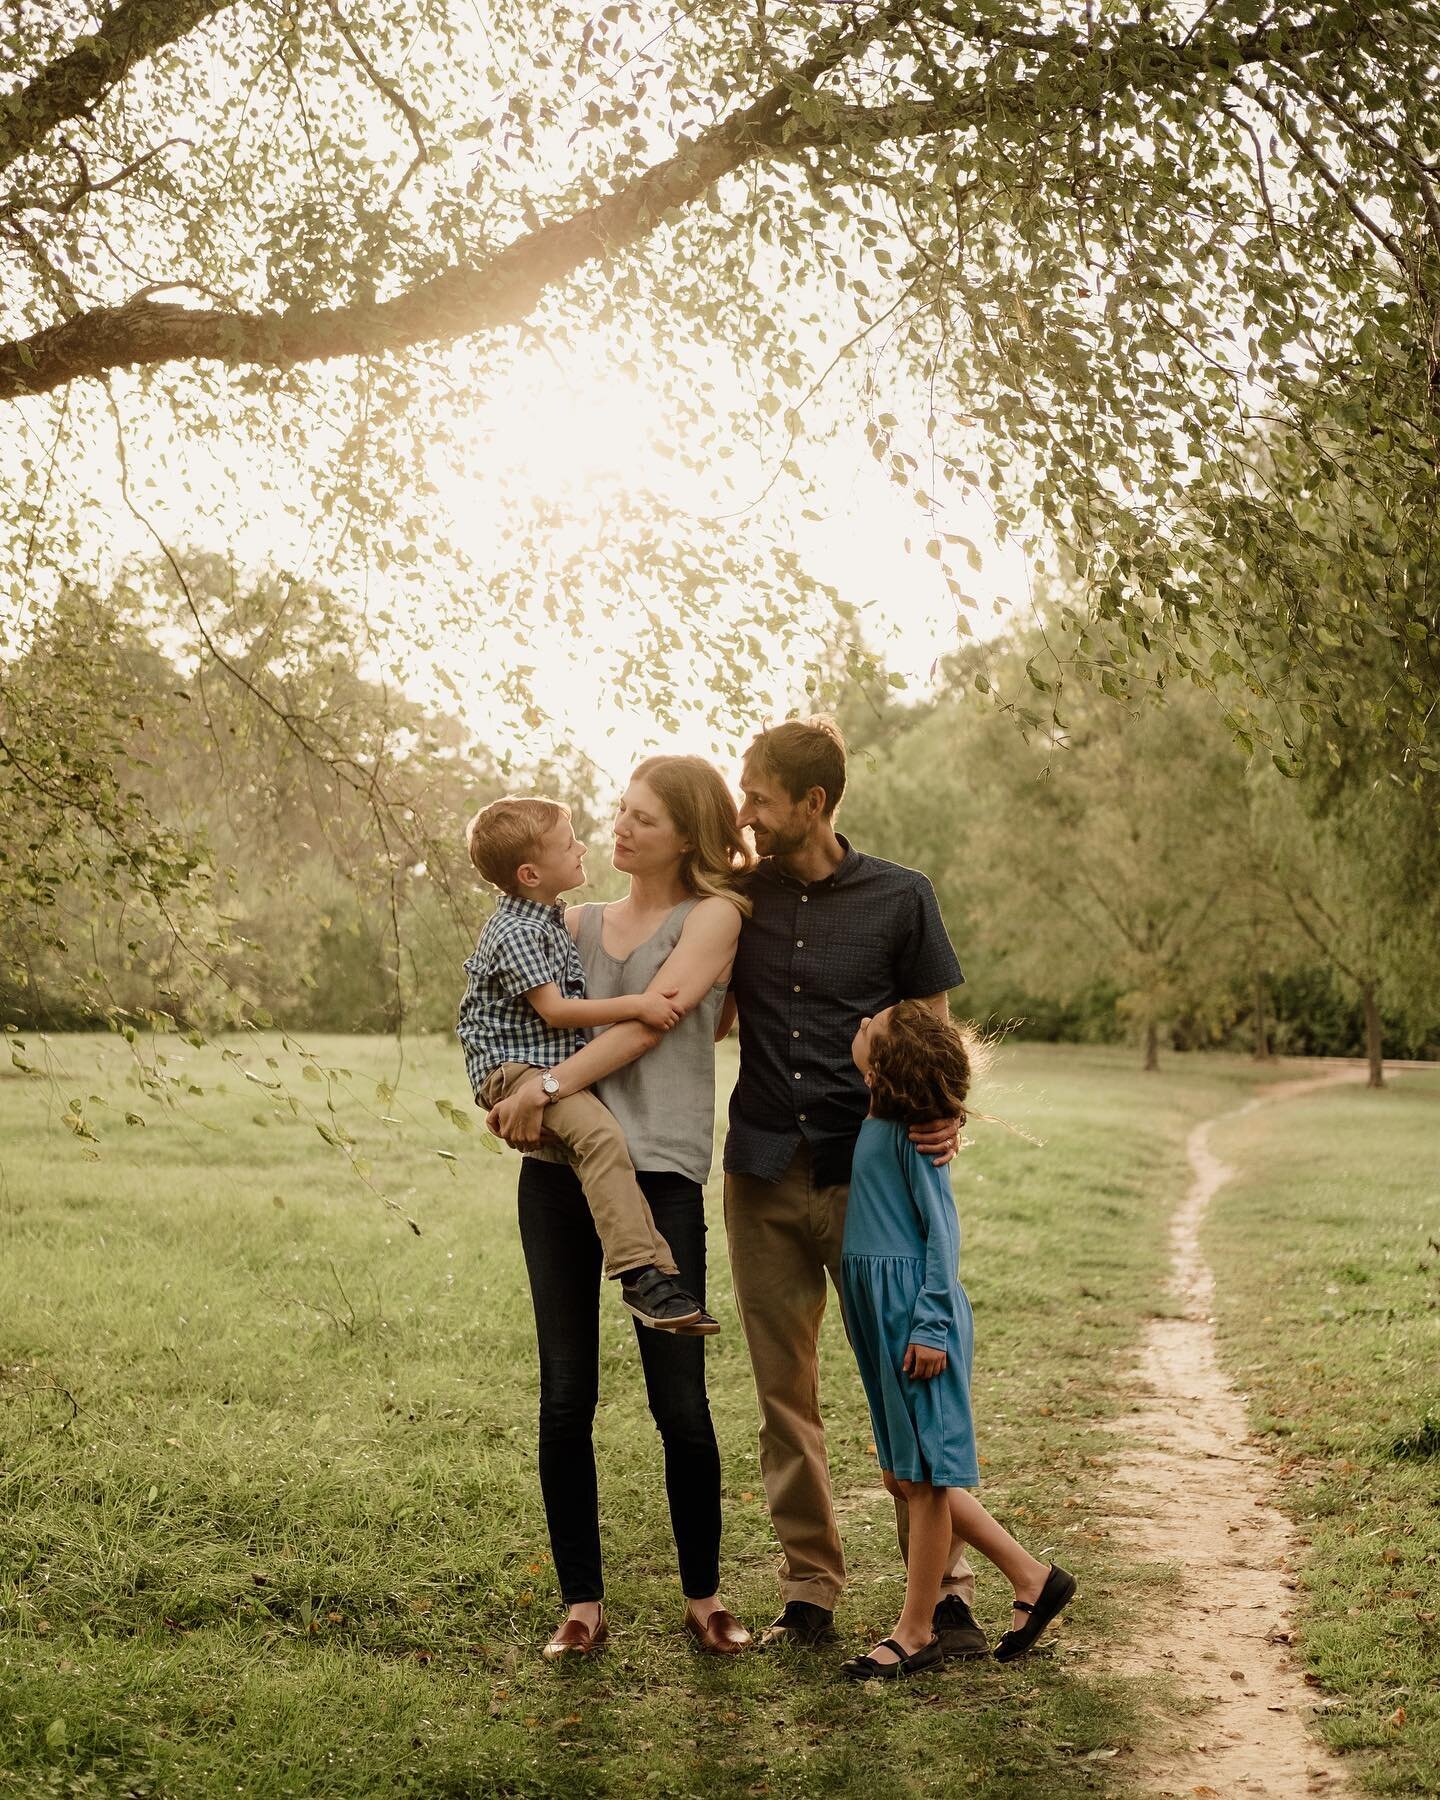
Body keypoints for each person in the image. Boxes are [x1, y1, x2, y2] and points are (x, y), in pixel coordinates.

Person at [723, 716, 988, 1656]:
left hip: (868, 1183)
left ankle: (947, 1592)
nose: (745, 810)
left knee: (908, 1392)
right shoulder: (738, 898)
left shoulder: (902, 898)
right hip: (760, 1172)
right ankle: (810, 1589)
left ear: (814, 802)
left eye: (758, 795)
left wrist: (946, 1112)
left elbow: (933, 1040)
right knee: (783, 1393)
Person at [485, 757, 754, 1659]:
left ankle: (705, 1599)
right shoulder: (568, 920)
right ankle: (581, 1606)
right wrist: (517, 1091)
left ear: (687, 833)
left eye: (643, 817)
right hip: (560, 1177)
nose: (621, 828)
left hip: (661, 1176)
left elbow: (652, 1022)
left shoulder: (713, 915)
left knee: (680, 1402)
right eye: (619, 812)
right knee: (566, 1395)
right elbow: (518, 1011)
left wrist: (548, 1082)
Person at [838, 1001, 1075, 1680]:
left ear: (884, 1065)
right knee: (903, 1474)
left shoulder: (919, 1134)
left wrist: (932, 1320)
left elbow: (943, 1233)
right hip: (881, 1311)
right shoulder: (882, 1116)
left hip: (917, 1313)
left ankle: (916, 1632)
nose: (859, 1024)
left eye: (869, 1030)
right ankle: (1032, 1577)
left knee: (924, 1480)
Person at [457, 793, 705, 1329]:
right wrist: (638, 1003)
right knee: (599, 1138)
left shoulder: (548, 917)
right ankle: (640, 1274)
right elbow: (555, 1009)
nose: (583, 846)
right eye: (568, 844)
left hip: (535, 1065)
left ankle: (656, 1271)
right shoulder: (519, 931)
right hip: (514, 1068)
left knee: (603, 1141)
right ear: (530, 873)